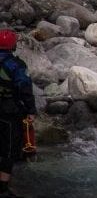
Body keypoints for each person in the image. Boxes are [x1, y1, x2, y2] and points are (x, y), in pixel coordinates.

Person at [0, 29, 35, 198]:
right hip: (9, 111)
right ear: (11, 46)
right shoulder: (16, 65)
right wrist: (31, 111)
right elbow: (24, 88)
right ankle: (3, 187)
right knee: (9, 149)